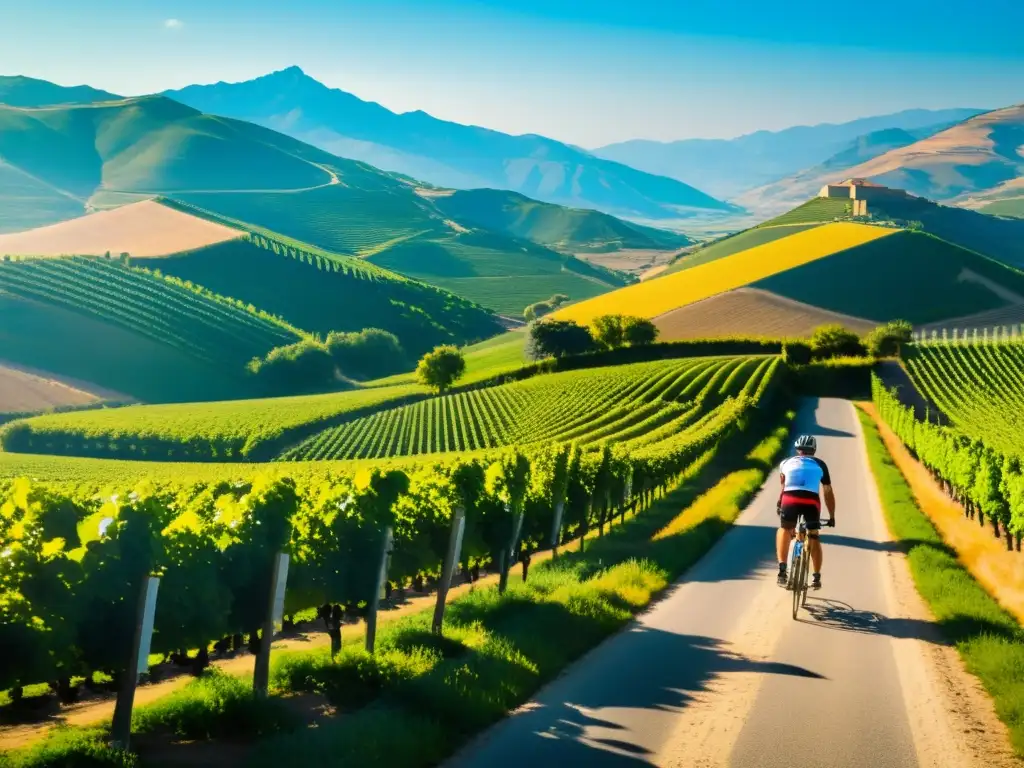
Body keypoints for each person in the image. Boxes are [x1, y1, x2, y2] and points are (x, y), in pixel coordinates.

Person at [776, 434, 836, 589]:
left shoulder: (785, 463)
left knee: (785, 528)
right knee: (814, 535)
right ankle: (816, 577)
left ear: (797, 450)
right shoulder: (820, 464)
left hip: (790, 499)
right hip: (811, 501)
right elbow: (827, 492)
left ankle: (782, 570)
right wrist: (831, 516)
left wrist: (779, 503)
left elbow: (784, 486)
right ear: (813, 450)